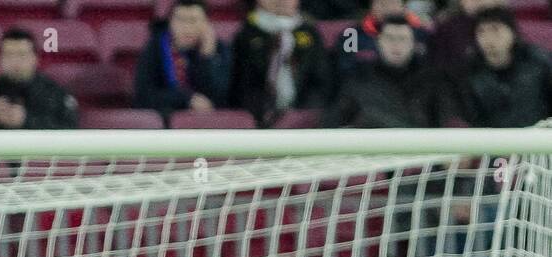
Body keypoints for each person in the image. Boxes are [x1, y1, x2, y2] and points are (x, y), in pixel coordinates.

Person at [322, 15, 451, 128]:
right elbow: (333, 122)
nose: (396, 45)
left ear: (413, 45)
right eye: (390, 38)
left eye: (402, 39)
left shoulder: (431, 81)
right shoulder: (359, 79)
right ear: (378, 42)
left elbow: (445, 123)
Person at [229, 0, 331, 126]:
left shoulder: (311, 33)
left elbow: (322, 81)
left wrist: (304, 115)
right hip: (257, 119)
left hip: (305, 119)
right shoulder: (245, 35)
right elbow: (241, 84)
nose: (281, 1)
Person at [450, 7, 552, 127]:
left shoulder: (540, 62)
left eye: (495, 30)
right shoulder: (468, 71)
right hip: (490, 141)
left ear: (513, 33)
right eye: (481, 32)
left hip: (537, 137)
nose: (489, 38)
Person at [134, 0, 232, 117]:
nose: (186, 27)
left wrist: (207, 58)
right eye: (180, 20)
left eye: (193, 20)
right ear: (170, 22)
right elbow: (143, 96)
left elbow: (222, 98)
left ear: (206, 24)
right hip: (166, 123)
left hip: (210, 123)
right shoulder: (155, 47)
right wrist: (186, 99)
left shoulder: (219, 48)